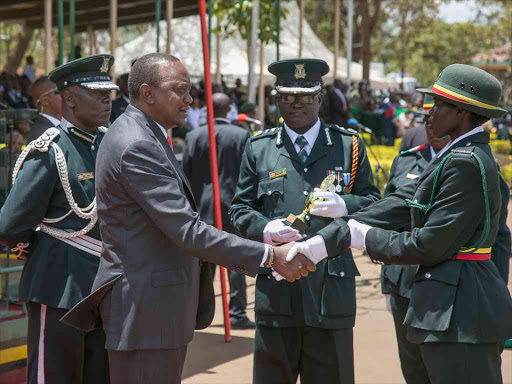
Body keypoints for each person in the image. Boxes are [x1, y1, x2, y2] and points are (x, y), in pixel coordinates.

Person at [60, 53, 314, 384]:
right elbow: (187, 230)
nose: (190, 99)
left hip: (153, 311)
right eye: (180, 90)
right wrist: (268, 256)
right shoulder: (137, 144)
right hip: (147, 313)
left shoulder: (143, 133)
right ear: (148, 93)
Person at [288, 64, 512, 384]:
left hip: (459, 313)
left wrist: (364, 236)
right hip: (446, 309)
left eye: (437, 104)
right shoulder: (459, 156)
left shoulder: (465, 162)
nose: (428, 113)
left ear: (461, 113)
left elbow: (428, 244)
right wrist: (328, 238)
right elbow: (406, 204)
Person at [229, 58, 381, 384]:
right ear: (276, 99)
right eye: (287, 97)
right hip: (276, 288)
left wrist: (345, 204)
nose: (296, 104)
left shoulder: (347, 145)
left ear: (320, 98)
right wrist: (265, 228)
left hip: (331, 288)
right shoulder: (259, 147)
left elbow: (375, 204)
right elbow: (240, 209)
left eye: (305, 97)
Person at [0, 54, 119, 384]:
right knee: (55, 376)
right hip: (58, 285)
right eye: (96, 93)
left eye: (107, 92)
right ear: (68, 98)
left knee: (100, 375)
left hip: (103, 284)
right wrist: (35, 248)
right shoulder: (50, 150)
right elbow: (10, 224)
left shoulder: (108, 143)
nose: (106, 99)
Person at [183, 92, 255, 329]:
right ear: (230, 109)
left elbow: (186, 175)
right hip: (233, 205)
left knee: (206, 261)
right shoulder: (241, 135)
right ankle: (236, 312)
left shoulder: (194, 136)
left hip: (203, 207)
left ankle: (199, 311)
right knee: (234, 259)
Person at [26, 76, 63, 143]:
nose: (67, 94)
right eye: (60, 90)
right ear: (45, 101)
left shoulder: (56, 127)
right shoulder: (40, 134)